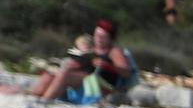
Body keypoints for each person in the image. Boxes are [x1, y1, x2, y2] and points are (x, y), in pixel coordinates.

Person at [3, 17, 133, 102]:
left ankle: (45, 100)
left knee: (64, 74)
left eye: (102, 36)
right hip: (85, 75)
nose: (98, 38)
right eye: (96, 35)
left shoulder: (114, 51)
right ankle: (33, 94)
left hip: (100, 82)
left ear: (110, 38)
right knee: (51, 73)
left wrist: (105, 65)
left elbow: (126, 72)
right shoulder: (93, 48)